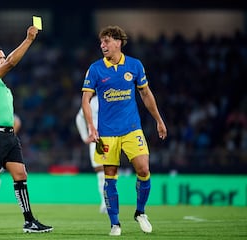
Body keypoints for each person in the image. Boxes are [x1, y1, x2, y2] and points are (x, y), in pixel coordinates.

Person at [81, 25, 167, 236]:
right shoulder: (95, 69)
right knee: (109, 175)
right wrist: (91, 127)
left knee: (144, 169)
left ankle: (140, 212)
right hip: (107, 132)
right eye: (101, 42)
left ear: (118, 42)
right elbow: (85, 100)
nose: (102, 46)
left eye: (106, 41)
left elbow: (146, 94)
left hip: (131, 129)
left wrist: (159, 120)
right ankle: (115, 223)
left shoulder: (135, 66)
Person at [0, 26, 53, 233]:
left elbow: (9, 62)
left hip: (9, 136)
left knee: (20, 174)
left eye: (3, 57)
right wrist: (28, 40)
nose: (3, 59)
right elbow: (11, 62)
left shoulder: (3, 87)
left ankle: (29, 221)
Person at [75, 95, 106, 213]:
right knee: (100, 169)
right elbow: (79, 117)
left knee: (111, 169)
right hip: (97, 138)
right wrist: (84, 136)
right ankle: (104, 201)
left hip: (114, 136)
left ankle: (110, 200)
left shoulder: (114, 97)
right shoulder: (93, 101)